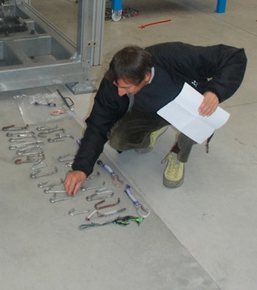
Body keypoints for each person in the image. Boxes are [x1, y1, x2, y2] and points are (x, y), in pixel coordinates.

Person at [64, 42, 247, 193]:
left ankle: (178, 154)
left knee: (199, 119)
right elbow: (97, 126)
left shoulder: (173, 56)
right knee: (118, 140)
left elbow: (234, 56)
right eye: (118, 86)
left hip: (190, 107)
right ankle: (155, 129)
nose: (120, 92)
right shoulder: (113, 84)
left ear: (145, 77)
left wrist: (215, 91)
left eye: (127, 88)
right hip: (151, 111)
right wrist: (81, 168)